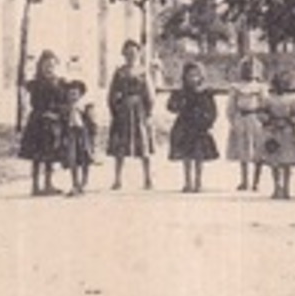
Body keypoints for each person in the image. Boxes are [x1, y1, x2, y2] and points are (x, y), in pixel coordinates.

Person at [106, 39, 155, 190]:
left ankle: (148, 179)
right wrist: (115, 109)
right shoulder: (119, 72)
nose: (131, 56)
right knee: (120, 146)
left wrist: (148, 112)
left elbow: (150, 94)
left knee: (143, 145)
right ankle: (117, 179)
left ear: (139, 54)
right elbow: (111, 94)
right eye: (127, 53)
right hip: (123, 112)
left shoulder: (143, 72)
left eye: (134, 53)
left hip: (139, 111)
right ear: (123, 55)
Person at [18, 50, 67, 196]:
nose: (49, 68)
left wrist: (57, 113)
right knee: (36, 155)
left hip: (53, 122)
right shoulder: (35, 83)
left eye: (52, 65)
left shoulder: (60, 83)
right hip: (38, 122)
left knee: (50, 154)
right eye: (46, 65)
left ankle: (48, 183)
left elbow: (63, 102)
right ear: (40, 66)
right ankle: (35, 185)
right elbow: (32, 99)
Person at [167, 62, 220, 192]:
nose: (193, 78)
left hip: (200, 126)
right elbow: (170, 106)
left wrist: (208, 122)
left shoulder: (206, 92)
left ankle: (198, 182)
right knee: (186, 155)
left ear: (202, 76)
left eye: (197, 75)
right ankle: (187, 182)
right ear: (185, 76)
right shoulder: (181, 92)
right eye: (190, 75)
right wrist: (177, 103)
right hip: (184, 125)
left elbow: (213, 110)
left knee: (199, 155)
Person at [259, 71, 295, 199]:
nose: (280, 86)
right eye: (278, 83)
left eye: (283, 83)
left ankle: (287, 188)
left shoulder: (293, 99)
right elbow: (261, 113)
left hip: (288, 131)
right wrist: (268, 120)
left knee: (287, 161)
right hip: (273, 130)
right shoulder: (268, 99)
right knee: (274, 161)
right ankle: (276, 187)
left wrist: (291, 121)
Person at [226, 55, 268, 191]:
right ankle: (244, 180)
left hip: (255, 118)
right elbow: (231, 106)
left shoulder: (261, 87)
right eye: (247, 68)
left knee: (258, 150)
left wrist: (264, 119)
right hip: (241, 119)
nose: (251, 71)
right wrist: (233, 120)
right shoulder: (236, 87)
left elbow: (265, 104)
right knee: (243, 150)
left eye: (254, 69)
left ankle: (257, 181)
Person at [60, 78, 97, 196]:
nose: (72, 97)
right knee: (72, 159)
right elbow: (62, 122)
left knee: (84, 157)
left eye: (75, 94)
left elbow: (92, 123)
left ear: (80, 94)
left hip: (83, 134)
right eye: (70, 94)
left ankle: (84, 182)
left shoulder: (86, 107)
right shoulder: (65, 108)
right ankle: (74, 183)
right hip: (71, 134)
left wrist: (93, 136)